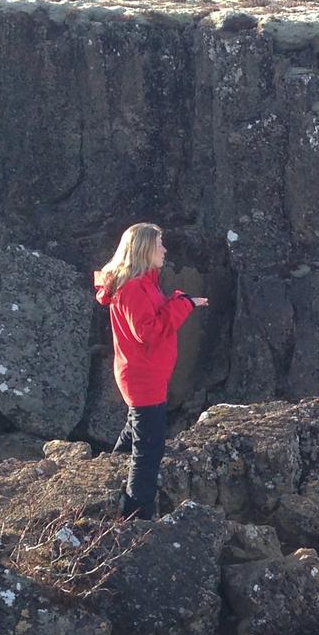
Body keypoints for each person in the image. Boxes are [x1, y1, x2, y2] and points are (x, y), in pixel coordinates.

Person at [95, 223, 207, 520]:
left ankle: (100, 481)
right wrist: (182, 306)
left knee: (136, 432)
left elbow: (152, 319)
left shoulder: (143, 284)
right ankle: (136, 519)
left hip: (146, 375)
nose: (164, 250)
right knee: (149, 450)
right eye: (160, 244)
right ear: (145, 249)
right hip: (142, 378)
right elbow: (148, 332)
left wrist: (183, 303)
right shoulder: (133, 288)